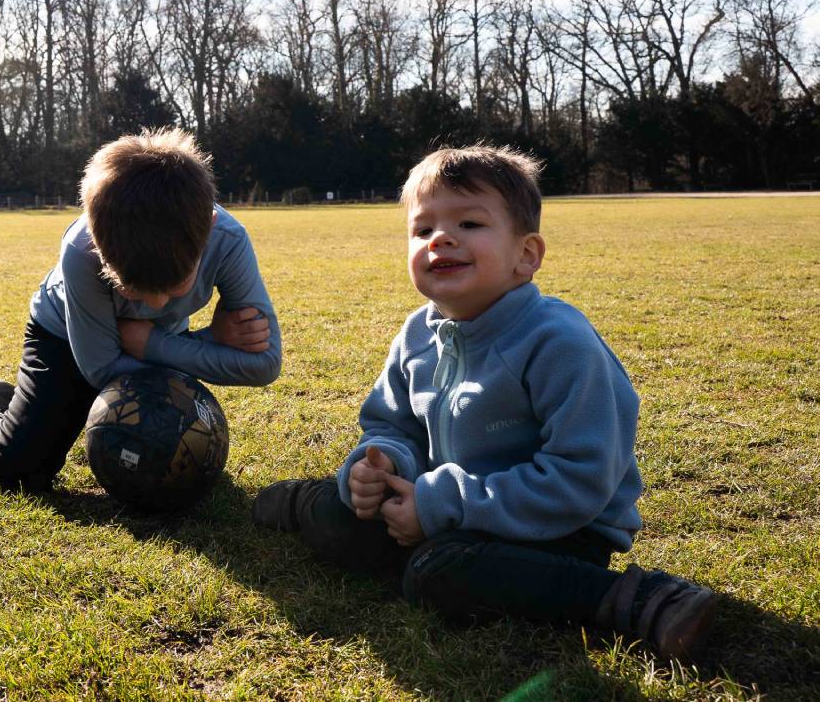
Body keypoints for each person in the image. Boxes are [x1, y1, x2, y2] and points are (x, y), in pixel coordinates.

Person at [252, 145, 719, 662]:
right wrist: (379, 465)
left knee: (438, 574)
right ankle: (305, 502)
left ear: (527, 255)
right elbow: (392, 425)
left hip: (559, 528)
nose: (442, 239)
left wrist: (440, 506)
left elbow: (579, 480)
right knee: (347, 521)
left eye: (470, 223)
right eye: (422, 229)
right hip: (442, 507)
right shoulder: (416, 333)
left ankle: (638, 599)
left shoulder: (559, 344)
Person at [0, 127, 283, 494]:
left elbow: (265, 362)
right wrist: (201, 345)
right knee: (16, 472)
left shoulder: (228, 239)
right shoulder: (80, 250)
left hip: (153, 346)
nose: (153, 306)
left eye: (175, 288)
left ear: (209, 227)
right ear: (97, 241)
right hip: (66, 338)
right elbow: (101, 367)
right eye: (131, 288)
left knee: (169, 455)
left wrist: (156, 343)